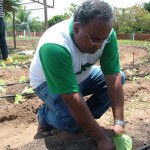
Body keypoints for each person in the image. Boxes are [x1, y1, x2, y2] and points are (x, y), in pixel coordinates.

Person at [30, 0, 126, 149]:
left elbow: (113, 77)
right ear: (76, 28)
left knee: (121, 76)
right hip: (47, 82)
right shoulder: (55, 45)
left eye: (104, 39)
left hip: (81, 76)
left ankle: (82, 117)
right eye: (94, 39)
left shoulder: (105, 35)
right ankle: (44, 115)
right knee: (73, 122)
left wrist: (119, 121)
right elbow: (70, 95)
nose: (100, 45)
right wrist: (101, 138)